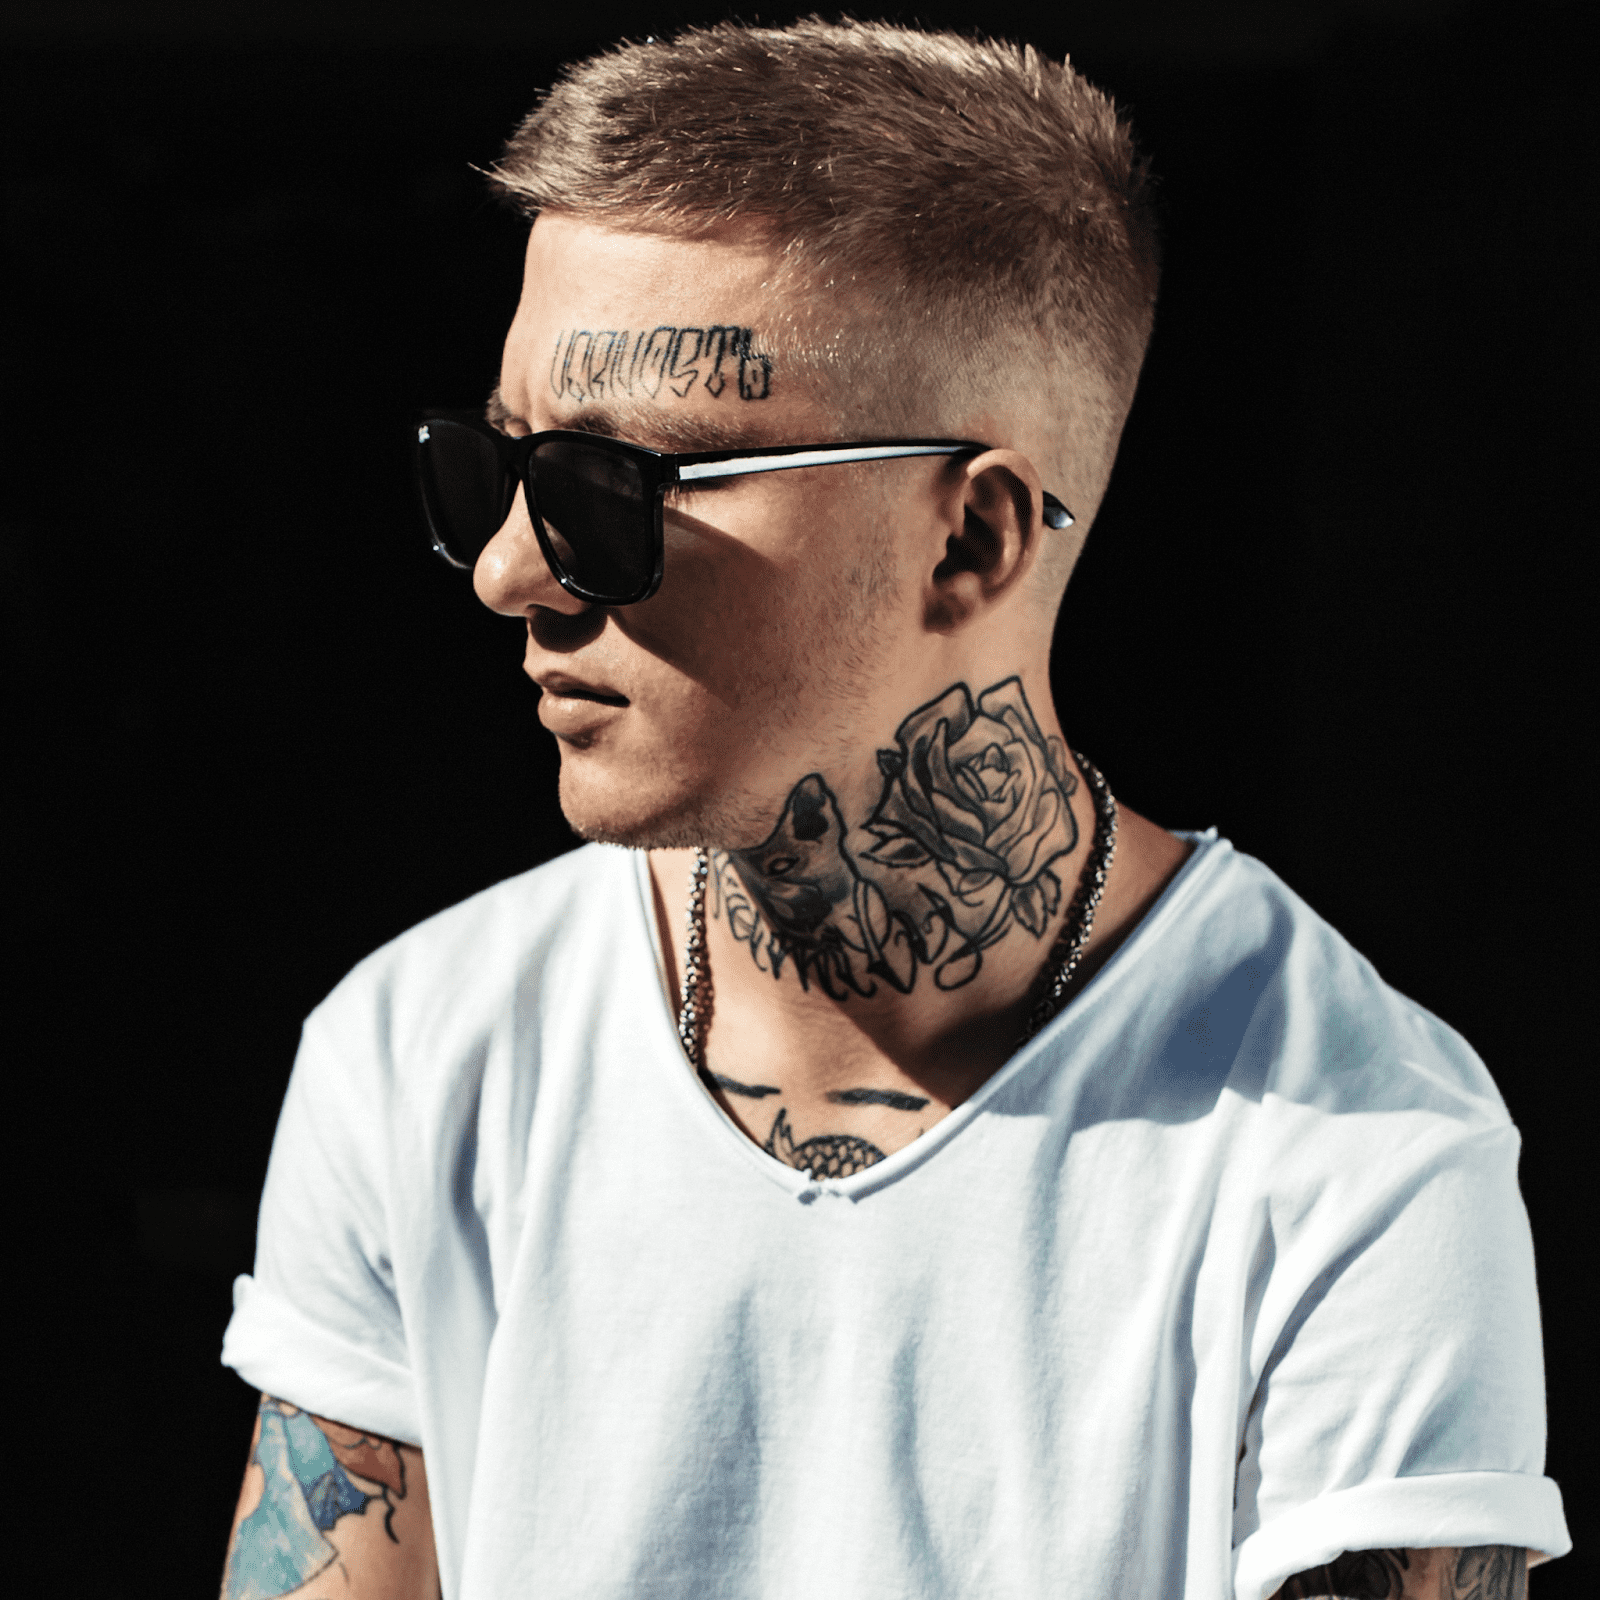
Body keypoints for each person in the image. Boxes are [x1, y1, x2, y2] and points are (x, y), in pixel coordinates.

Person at [217, 20, 1568, 1600]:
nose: (511, 571)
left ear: (972, 540)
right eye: (492, 469)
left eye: (613, 490)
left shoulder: (1357, 1157)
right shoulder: (422, 1054)